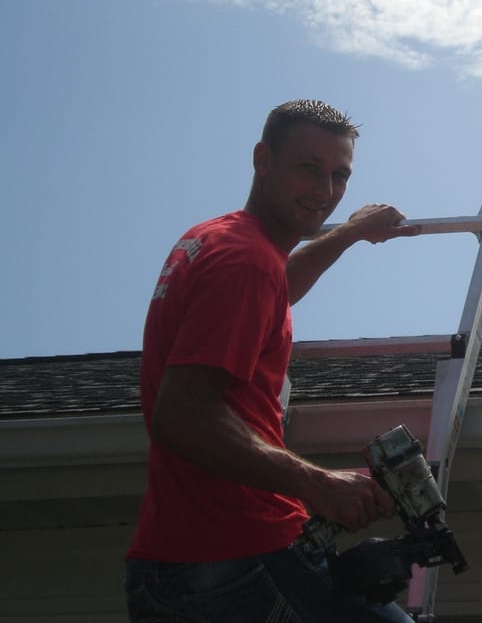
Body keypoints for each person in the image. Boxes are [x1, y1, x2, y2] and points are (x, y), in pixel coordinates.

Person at [124, 99, 420, 622]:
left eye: (339, 175)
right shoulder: (245, 262)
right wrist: (318, 483)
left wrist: (348, 233)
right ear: (263, 159)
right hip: (233, 561)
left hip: (185, 560)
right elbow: (183, 415)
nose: (325, 191)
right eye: (308, 168)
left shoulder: (219, 239)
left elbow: (280, 287)